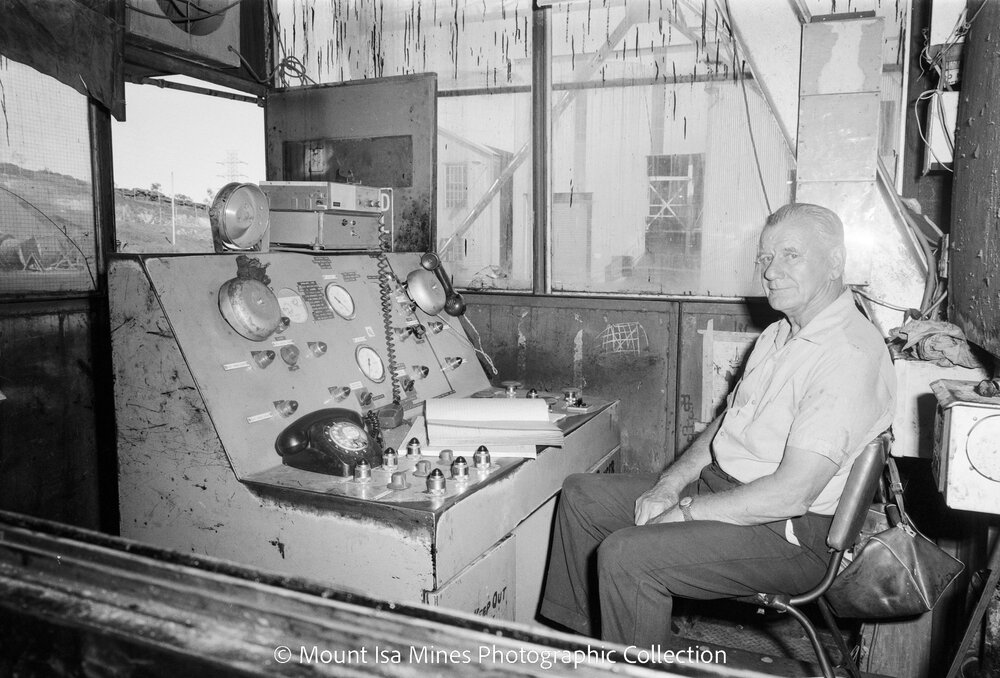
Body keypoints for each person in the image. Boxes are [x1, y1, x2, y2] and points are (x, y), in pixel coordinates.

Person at [539, 203, 896, 647]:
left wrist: (685, 511)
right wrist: (670, 485)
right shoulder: (779, 333)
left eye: (791, 255)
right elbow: (727, 424)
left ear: (836, 262)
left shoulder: (847, 353)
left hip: (788, 533)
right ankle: (588, 649)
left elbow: (790, 494)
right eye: (764, 258)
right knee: (581, 494)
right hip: (727, 492)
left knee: (627, 556)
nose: (771, 270)